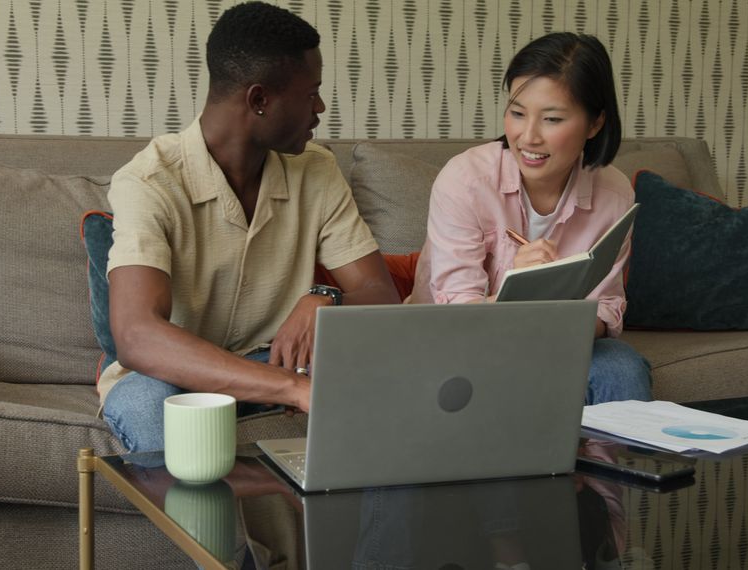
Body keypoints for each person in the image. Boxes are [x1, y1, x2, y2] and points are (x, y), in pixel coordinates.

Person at [101, 1, 400, 452]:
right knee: (148, 404)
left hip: (284, 360)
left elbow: (381, 296)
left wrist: (326, 297)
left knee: (397, 376)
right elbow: (137, 336)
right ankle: (216, 526)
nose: (320, 107)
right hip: (173, 376)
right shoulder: (148, 181)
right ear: (259, 100)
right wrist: (291, 389)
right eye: (311, 92)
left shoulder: (317, 170)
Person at [408, 32, 652, 404]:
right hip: (453, 344)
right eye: (517, 113)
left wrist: (560, 314)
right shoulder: (466, 180)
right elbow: (455, 312)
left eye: (552, 119)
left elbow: (606, 308)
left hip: (554, 343)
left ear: (595, 123)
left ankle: (615, 464)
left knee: (621, 366)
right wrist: (517, 291)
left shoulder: (614, 193)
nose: (527, 137)